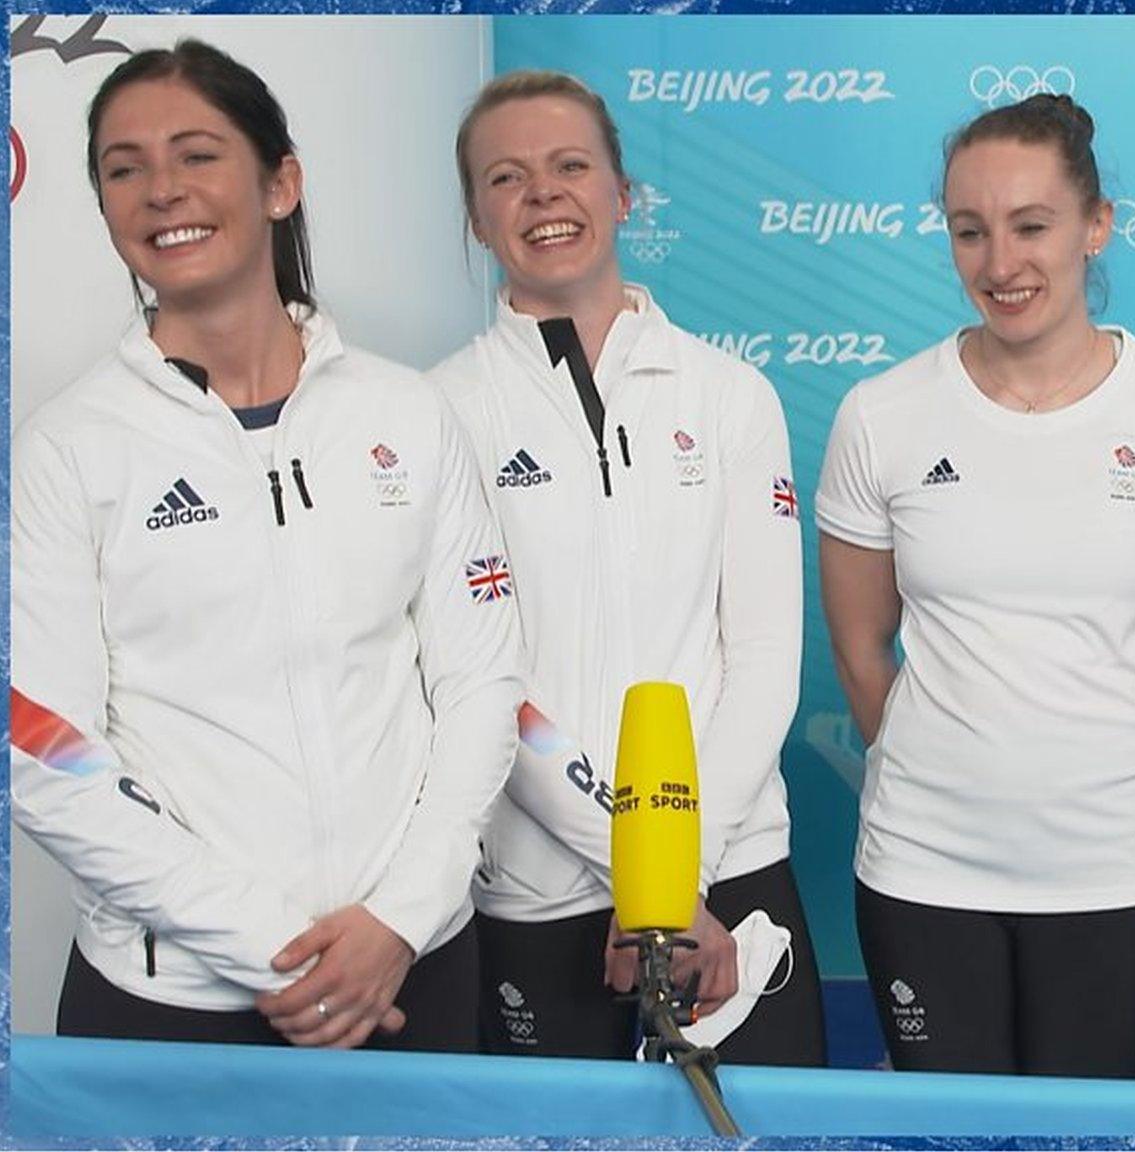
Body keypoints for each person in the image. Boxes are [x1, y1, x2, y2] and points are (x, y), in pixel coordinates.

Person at [10, 39, 519, 1051]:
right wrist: (275, 946)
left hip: (410, 972)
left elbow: (480, 684)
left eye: (196, 154)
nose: (161, 190)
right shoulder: (68, 448)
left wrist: (395, 924)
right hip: (172, 1005)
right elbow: (43, 749)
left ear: (279, 181)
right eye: (123, 168)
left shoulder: (406, 413)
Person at [814, 93, 1135, 1078]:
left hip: (1108, 869)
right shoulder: (879, 413)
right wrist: (935, 769)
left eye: (1031, 226)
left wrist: (1115, 780)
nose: (999, 263)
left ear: (1094, 226)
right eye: (968, 231)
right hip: (918, 868)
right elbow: (857, 647)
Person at [429, 70, 824, 1064]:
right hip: (538, 888)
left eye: (570, 167)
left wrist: (672, 874)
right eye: (506, 178)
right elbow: (481, 684)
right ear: (477, 219)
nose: (543, 195)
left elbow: (766, 656)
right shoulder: (435, 415)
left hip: (726, 873)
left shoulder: (730, 395)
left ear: (623, 194)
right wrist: (635, 869)